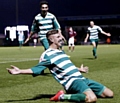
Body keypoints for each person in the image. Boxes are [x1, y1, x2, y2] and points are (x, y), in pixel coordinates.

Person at [7, 29, 113, 103]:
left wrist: (79, 69)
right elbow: (37, 69)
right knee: (91, 99)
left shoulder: (60, 51)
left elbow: (67, 66)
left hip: (82, 79)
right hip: (73, 82)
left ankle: (82, 93)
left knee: (109, 94)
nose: (61, 38)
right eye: (58, 37)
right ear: (52, 40)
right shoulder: (47, 55)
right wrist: (19, 71)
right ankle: (62, 96)